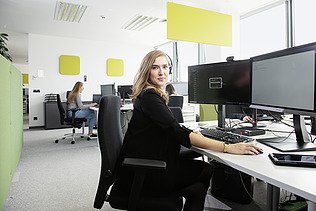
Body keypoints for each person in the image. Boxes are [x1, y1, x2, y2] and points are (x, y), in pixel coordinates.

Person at [111, 50, 263, 211]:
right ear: (147, 70)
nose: (162, 72)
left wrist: (191, 134)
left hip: (146, 163)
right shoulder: (150, 97)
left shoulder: (150, 94)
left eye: (165, 67)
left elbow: (169, 127)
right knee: (205, 170)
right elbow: (176, 131)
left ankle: (192, 199)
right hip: (146, 172)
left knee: (197, 188)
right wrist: (228, 147)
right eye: (155, 68)